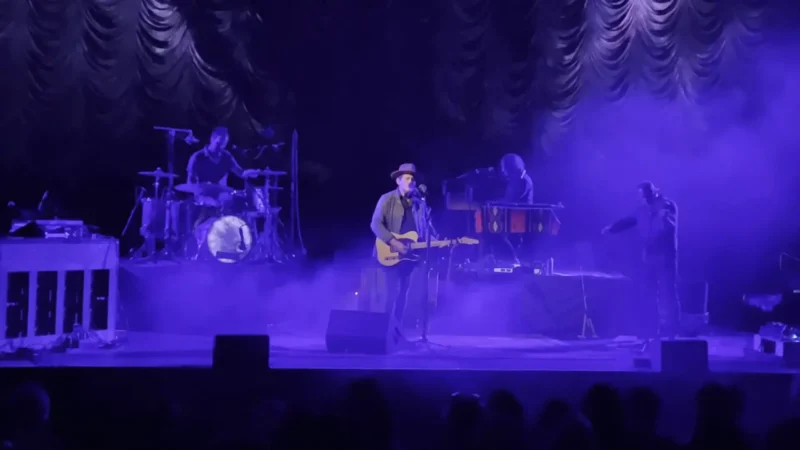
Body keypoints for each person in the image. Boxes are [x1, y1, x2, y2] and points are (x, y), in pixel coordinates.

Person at [602, 181, 680, 338]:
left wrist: (660, 219)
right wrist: (612, 228)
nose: (643, 199)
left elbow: (668, 227)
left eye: (646, 195)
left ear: (653, 192)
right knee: (651, 293)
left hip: (665, 256)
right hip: (650, 256)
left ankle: (673, 331)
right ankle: (652, 331)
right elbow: (630, 220)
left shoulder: (667, 205)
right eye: (642, 196)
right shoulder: (643, 210)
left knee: (668, 293)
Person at [370, 163, 437, 329]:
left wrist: (439, 240)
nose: (412, 181)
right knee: (391, 293)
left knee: (406, 292)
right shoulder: (387, 199)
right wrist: (393, 242)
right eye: (407, 178)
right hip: (390, 252)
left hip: (411, 254)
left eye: (413, 178)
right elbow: (375, 224)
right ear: (398, 181)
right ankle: (383, 329)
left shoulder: (420, 204)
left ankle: (398, 328)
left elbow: (427, 228)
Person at [186, 126, 257, 185]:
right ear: (212, 139)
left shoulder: (226, 156)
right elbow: (191, 182)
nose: (221, 147)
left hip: (220, 196)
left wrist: (253, 172)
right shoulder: (197, 157)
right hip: (201, 197)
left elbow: (240, 173)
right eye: (218, 144)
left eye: (224, 145)